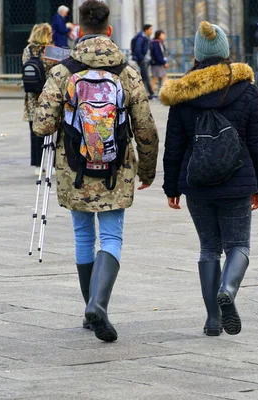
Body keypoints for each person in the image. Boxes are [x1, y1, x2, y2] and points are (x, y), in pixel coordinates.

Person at [33, 0, 159, 343]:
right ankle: (99, 305)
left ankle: (90, 307)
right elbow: (146, 128)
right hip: (116, 169)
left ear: (78, 28)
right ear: (109, 30)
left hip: (74, 167)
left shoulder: (63, 71)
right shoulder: (127, 72)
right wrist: (147, 170)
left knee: (83, 236)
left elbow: (42, 125)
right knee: (112, 236)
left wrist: (39, 92)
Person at [160, 21, 258, 337]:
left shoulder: (181, 95)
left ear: (197, 54)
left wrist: (171, 187)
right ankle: (229, 289)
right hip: (238, 180)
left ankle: (212, 320)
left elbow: (175, 145)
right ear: (225, 52)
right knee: (239, 245)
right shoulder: (247, 91)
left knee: (209, 248)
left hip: (197, 183)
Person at [22, 23, 58, 174]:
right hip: (48, 95)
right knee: (53, 130)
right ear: (46, 35)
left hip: (31, 96)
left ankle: (38, 165)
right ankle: (52, 164)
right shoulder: (51, 50)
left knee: (34, 131)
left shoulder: (27, 50)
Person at [133, 24, 155, 99]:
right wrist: (141, 59)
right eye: (150, 29)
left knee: (144, 77)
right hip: (143, 60)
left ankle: (144, 93)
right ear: (146, 30)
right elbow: (137, 49)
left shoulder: (147, 38)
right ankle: (151, 93)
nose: (151, 31)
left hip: (147, 60)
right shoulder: (141, 38)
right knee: (146, 77)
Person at [150, 30, 168, 94]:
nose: (164, 36)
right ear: (158, 35)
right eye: (162, 34)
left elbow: (163, 54)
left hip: (158, 63)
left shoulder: (160, 43)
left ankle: (156, 92)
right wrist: (164, 62)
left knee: (158, 77)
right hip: (157, 64)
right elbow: (157, 54)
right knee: (157, 78)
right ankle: (152, 93)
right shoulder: (156, 43)